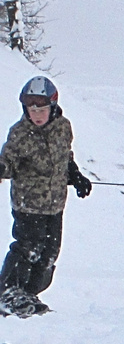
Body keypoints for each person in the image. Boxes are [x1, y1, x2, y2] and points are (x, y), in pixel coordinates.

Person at [0, 76, 90, 317]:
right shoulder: (21, 133)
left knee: (49, 251)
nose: (36, 113)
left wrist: (76, 175)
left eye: (41, 108)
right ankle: (8, 292)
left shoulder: (63, 128)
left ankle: (28, 293)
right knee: (27, 247)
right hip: (28, 203)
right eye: (31, 108)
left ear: (52, 106)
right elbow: (7, 160)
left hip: (55, 203)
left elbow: (65, 156)